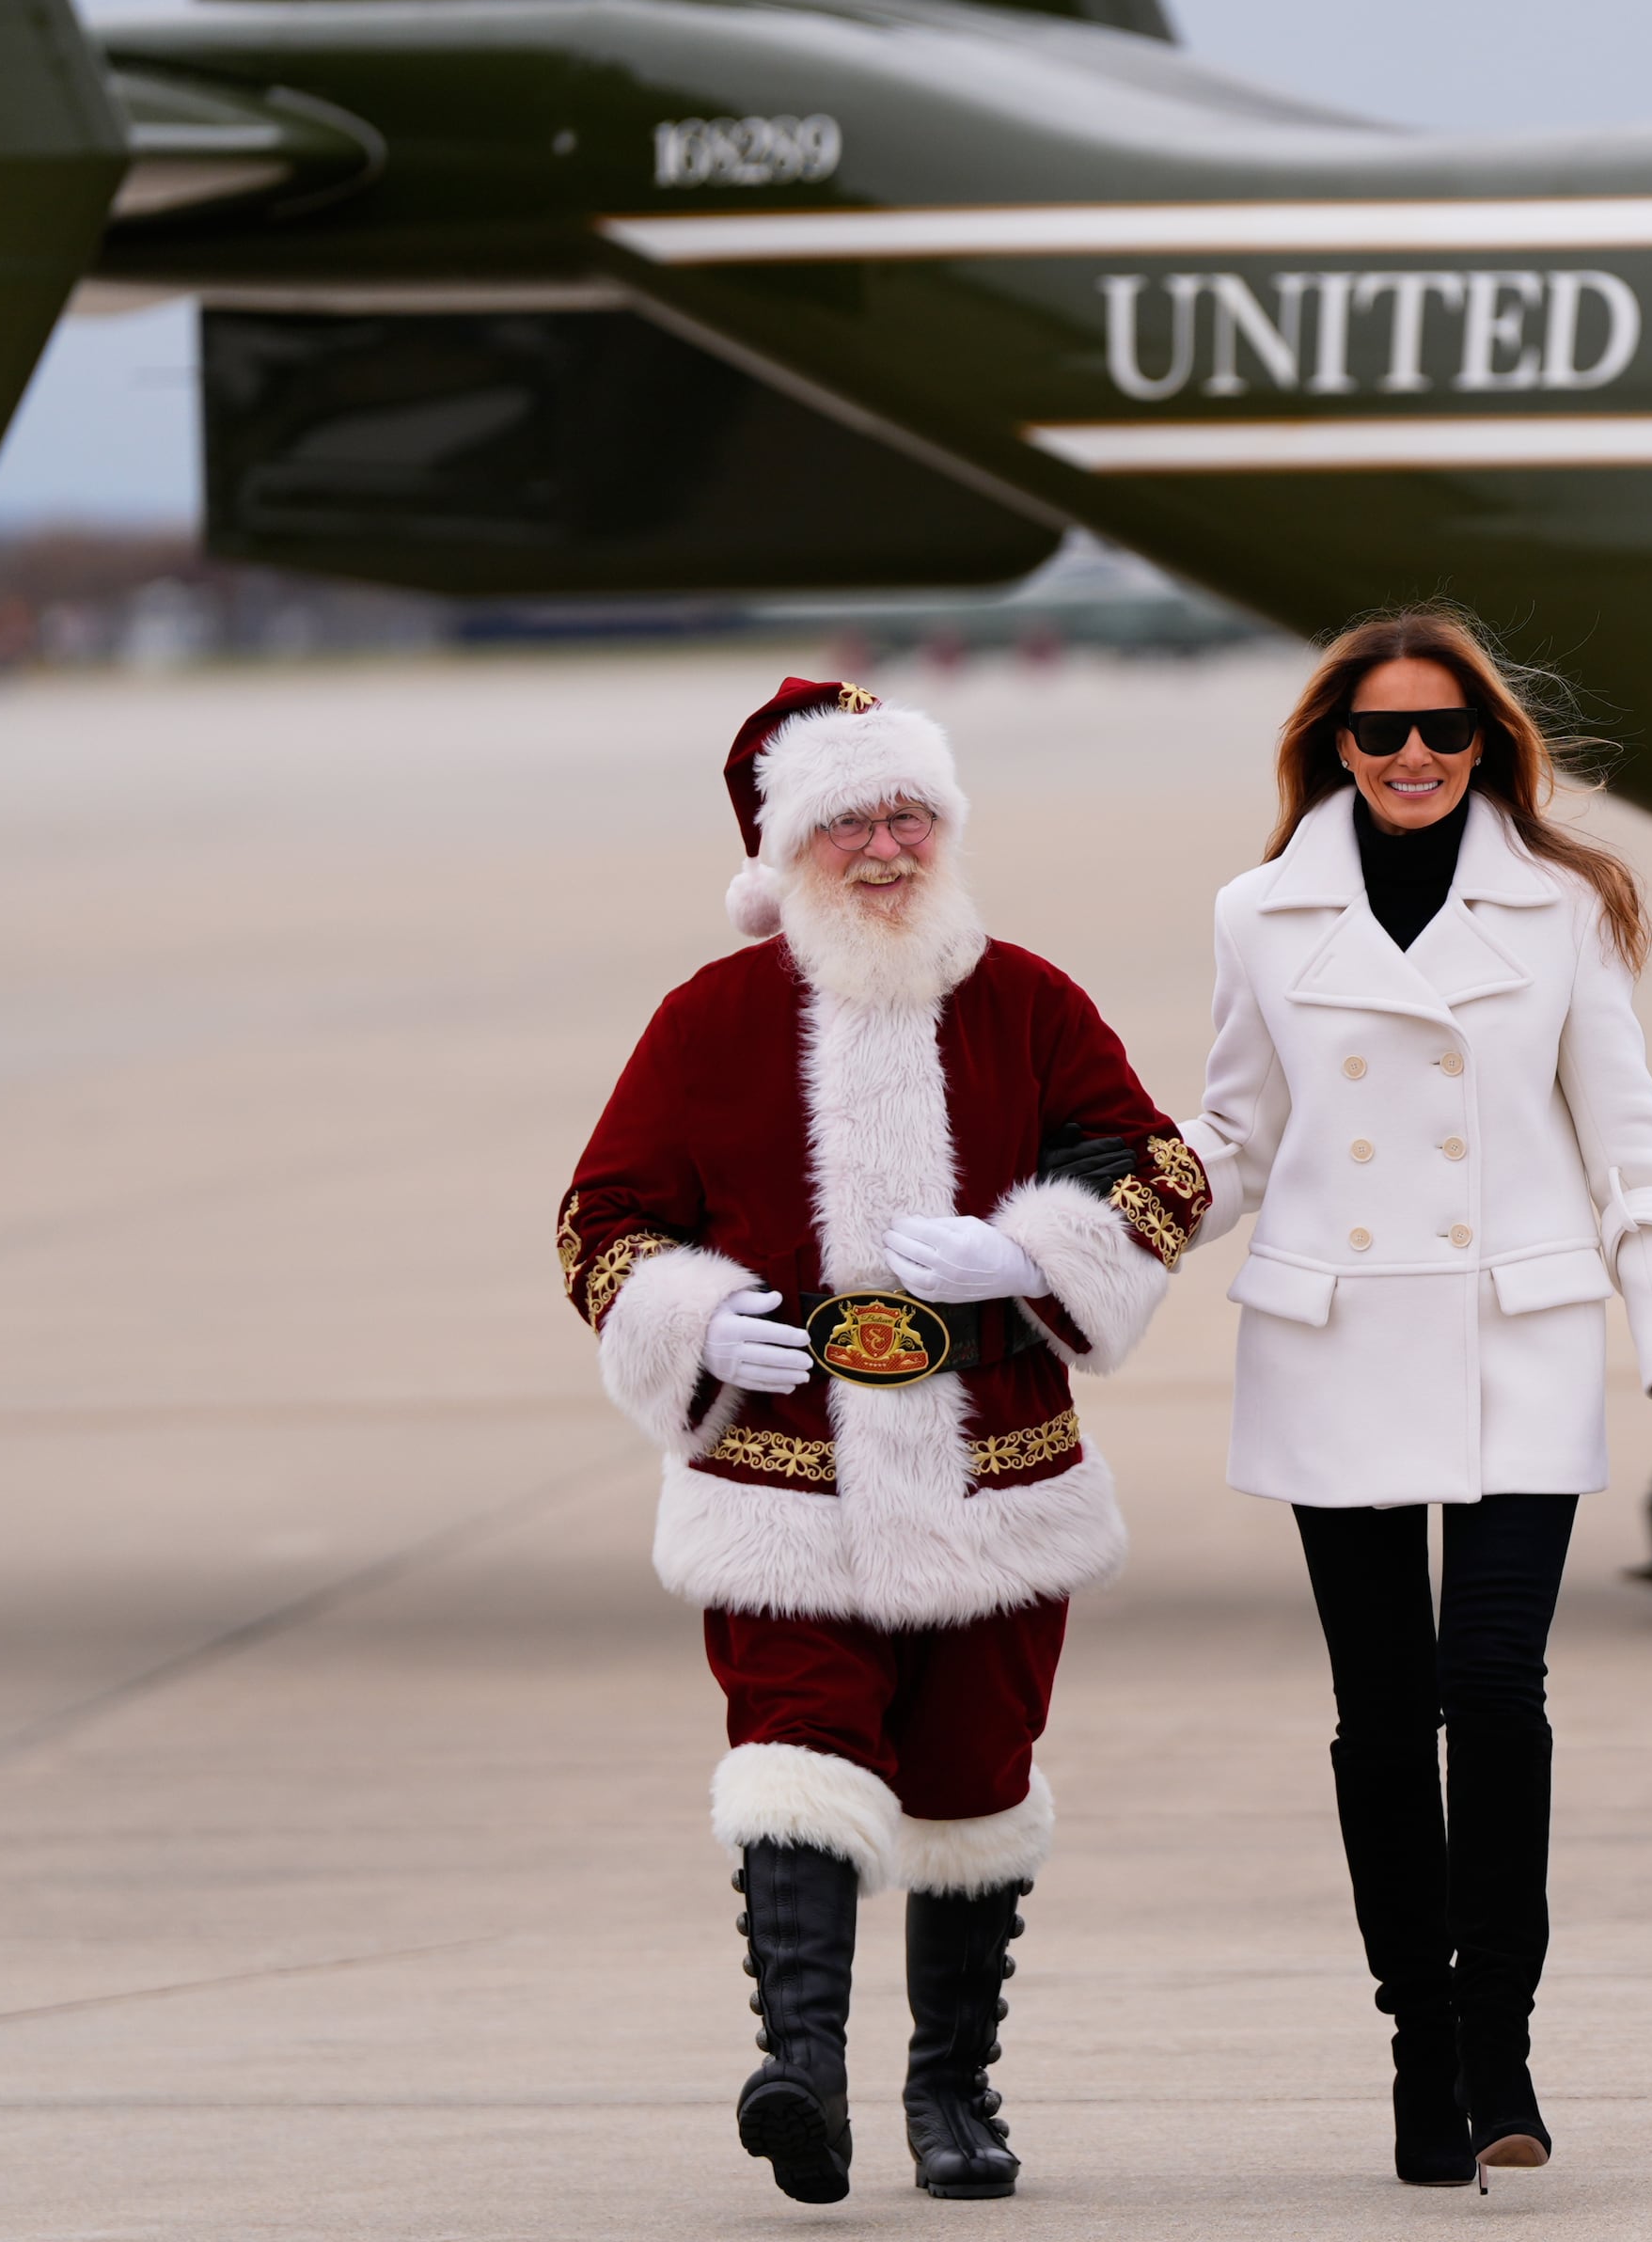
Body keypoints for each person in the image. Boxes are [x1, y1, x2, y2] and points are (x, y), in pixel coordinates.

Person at [557, 677, 1206, 2205]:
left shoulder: (1027, 999)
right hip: (783, 1471)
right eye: (848, 818)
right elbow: (601, 1223)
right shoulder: (704, 1022)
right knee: (795, 1750)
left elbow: (1161, 1172)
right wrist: (693, 1321)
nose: (886, 845)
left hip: (997, 1471)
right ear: (785, 849)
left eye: (910, 812)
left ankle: (950, 2090)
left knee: (977, 1781)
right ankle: (800, 2067)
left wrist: (1039, 1250)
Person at [1174, 606, 1652, 2187]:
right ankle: (1419, 2049)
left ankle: (1502, 2047)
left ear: (1486, 744)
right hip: (1334, 1338)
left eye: (1443, 731)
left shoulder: (1562, 905)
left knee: (1492, 1691)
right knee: (1378, 1717)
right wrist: (1108, 1207)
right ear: (1332, 750)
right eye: (1380, 733)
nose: (1413, 756)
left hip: (1516, 1334)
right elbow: (1235, 1138)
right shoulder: (1259, 913)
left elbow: (1633, 1147)